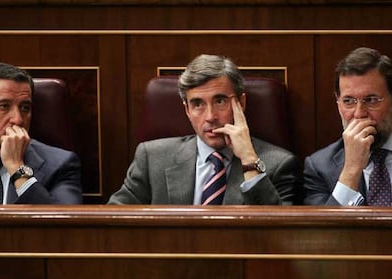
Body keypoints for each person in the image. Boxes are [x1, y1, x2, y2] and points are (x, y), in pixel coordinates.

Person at [108, 54, 299, 205]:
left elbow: (277, 235)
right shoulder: (152, 158)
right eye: (197, 104)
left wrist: (249, 161)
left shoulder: (278, 165)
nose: (210, 116)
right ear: (187, 110)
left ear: (241, 103)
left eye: (220, 101)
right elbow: (114, 223)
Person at [0, 62, 82, 204]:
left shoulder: (60, 165)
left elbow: (64, 224)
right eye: (4, 106)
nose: (18, 119)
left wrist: (17, 168)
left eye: (25, 108)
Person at [304, 47, 392, 206]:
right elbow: (324, 231)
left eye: (371, 100)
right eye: (348, 101)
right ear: (338, 104)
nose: (359, 114)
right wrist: (351, 170)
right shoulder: (319, 167)